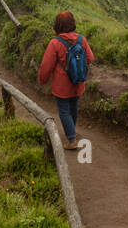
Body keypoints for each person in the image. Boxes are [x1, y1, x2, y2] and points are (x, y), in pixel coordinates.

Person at [38, 10, 94, 150]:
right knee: (73, 107)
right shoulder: (82, 40)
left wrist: (42, 80)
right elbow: (90, 58)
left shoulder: (55, 43)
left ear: (57, 25)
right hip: (78, 82)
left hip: (62, 85)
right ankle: (72, 132)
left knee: (64, 111)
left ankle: (71, 140)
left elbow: (46, 65)